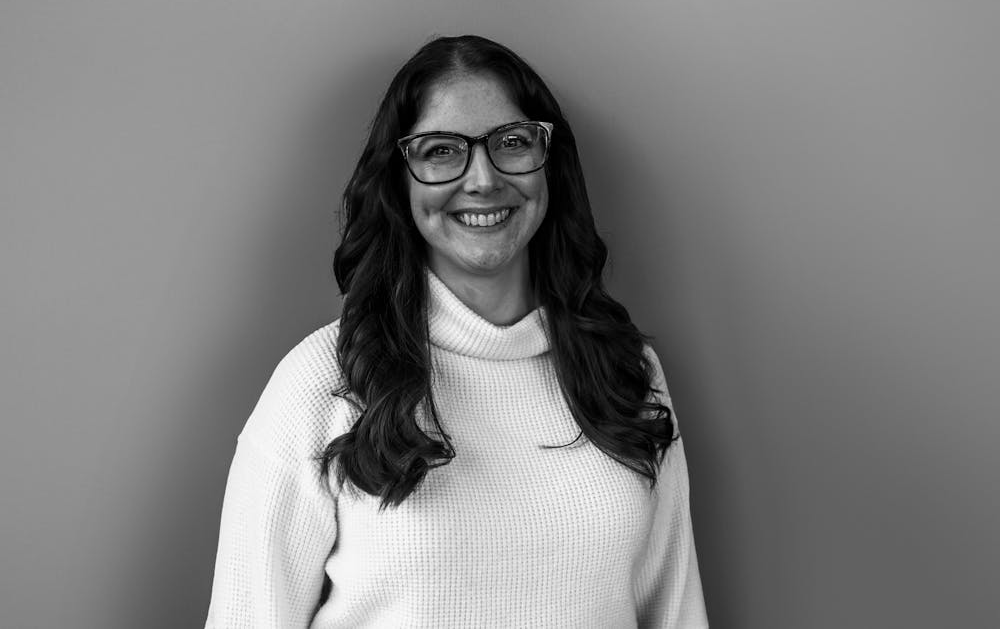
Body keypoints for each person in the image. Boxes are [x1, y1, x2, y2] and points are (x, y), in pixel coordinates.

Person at [205, 34, 708, 628]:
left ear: (551, 165)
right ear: (400, 180)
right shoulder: (322, 381)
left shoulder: (627, 372)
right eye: (442, 151)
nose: (483, 180)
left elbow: (674, 615)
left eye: (512, 144)